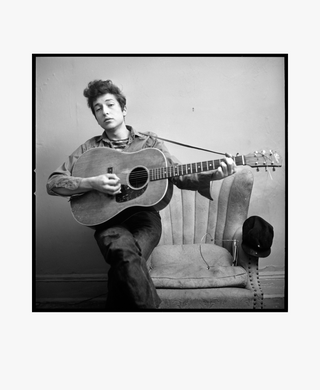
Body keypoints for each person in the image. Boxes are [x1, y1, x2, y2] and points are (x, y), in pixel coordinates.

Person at [47, 79, 236, 310]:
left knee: (124, 259)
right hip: (107, 221)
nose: (105, 111)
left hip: (145, 220)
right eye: (98, 109)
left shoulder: (150, 143)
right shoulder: (89, 149)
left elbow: (179, 175)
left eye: (110, 105)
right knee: (123, 254)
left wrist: (213, 175)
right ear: (95, 117)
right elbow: (53, 183)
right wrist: (91, 183)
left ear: (123, 109)